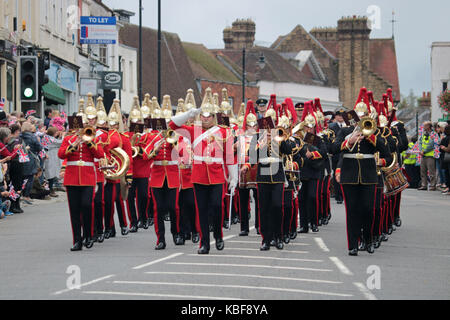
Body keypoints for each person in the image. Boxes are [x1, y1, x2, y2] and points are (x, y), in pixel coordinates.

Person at [170, 88, 237, 255]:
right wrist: (189, 113)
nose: (205, 119)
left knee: (216, 205)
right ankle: (204, 243)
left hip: (216, 175)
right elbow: (171, 125)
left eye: (208, 116)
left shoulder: (224, 131)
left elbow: (229, 156)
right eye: (203, 116)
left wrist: (234, 178)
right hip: (199, 176)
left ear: (214, 117)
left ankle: (218, 235)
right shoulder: (193, 130)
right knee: (202, 210)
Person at [332, 87, 393, 257]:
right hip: (349, 175)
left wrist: (370, 135)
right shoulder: (345, 131)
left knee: (368, 208)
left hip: (368, 175)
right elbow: (334, 149)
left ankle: (368, 239)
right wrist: (349, 140)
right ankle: (353, 244)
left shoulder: (373, 132)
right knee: (352, 210)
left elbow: (386, 153)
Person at [57, 104, 106, 252]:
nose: (82, 128)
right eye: (80, 125)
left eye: (84, 125)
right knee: (74, 210)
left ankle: (89, 235)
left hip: (88, 177)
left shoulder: (92, 139)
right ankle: (77, 240)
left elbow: (99, 154)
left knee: (86, 205)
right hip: (72, 177)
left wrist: (89, 142)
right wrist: (74, 144)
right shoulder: (69, 138)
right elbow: (61, 154)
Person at [20, 122, 43, 204]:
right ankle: (26, 196)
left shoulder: (19, 136)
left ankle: (20, 194)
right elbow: (39, 147)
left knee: (21, 178)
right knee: (30, 178)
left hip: (20, 158)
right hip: (30, 158)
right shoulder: (33, 137)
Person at [44, 127, 65, 197]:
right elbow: (60, 142)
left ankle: (50, 188)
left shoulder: (47, 137)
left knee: (51, 172)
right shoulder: (50, 138)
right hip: (50, 155)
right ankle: (50, 189)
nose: (57, 134)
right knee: (51, 173)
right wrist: (63, 136)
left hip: (51, 155)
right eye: (56, 133)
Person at [418, 122, 439, 191]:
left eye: (425, 125)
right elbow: (420, 142)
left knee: (431, 171)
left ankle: (432, 186)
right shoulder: (423, 134)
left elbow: (432, 144)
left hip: (430, 155)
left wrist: (424, 151)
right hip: (423, 155)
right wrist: (421, 150)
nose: (423, 126)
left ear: (429, 126)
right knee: (423, 171)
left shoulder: (434, 134)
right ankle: (424, 185)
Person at [439, 125, 450, 195]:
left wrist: (443, 148)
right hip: (446, 158)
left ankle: (448, 187)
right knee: (447, 172)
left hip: (446, 157)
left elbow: (448, 149)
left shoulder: (446, 138)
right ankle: (448, 187)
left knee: (447, 172)